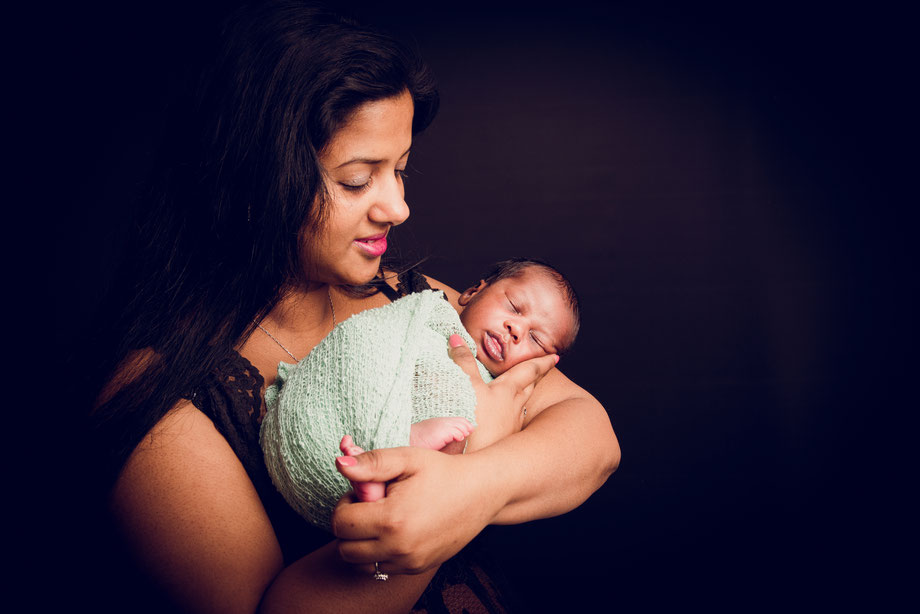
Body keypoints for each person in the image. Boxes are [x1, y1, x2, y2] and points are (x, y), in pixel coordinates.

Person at [84, 2, 620, 613]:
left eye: (401, 171)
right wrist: (432, 506)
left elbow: (593, 438)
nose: (398, 208)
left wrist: (469, 486)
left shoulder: (412, 299)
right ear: (255, 183)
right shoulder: (159, 394)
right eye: (358, 180)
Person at [262, 258, 581, 525]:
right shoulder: (426, 313)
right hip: (335, 418)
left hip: (406, 495)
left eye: (536, 340)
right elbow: (367, 349)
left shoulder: (506, 393)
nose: (516, 330)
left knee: (465, 424)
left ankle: (395, 462)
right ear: (471, 293)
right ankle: (395, 449)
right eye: (514, 307)